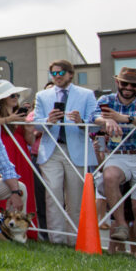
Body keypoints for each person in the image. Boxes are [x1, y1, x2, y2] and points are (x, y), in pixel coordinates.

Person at [92, 67, 136, 256]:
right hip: (118, 153)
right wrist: (105, 121)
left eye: (134, 84)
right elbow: (92, 115)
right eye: (125, 83)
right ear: (117, 82)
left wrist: (124, 119)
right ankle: (121, 224)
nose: (129, 87)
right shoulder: (106, 100)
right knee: (109, 176)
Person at [33, 60, 97, 245]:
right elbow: (35, 123)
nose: (57, 77)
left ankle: (75, 241)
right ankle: (57, 241)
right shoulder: (43, 96)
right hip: (52, 150)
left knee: (75, 199)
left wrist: (81, 121)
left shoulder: (86, 95)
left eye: (60, 73)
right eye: (53, 73)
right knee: (53, 195)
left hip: (75, 150)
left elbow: (95, 122)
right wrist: (48, 120)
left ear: (70, 74)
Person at [0, 80, 37, 237]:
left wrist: (29, 127)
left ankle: (24, 229)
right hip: (4, 154)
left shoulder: (20, 114)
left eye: (16, 95)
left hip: (21, 154)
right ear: (3, 98)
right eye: (11, 95)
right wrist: (8, 120)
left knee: (24, 188)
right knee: (4, 188)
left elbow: (30, 140)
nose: (15, 97)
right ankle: (2, 229)